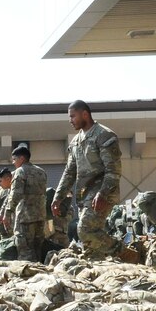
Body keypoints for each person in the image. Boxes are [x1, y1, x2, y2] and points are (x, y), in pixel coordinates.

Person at [52, 100, 123, 260]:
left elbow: (114, 170)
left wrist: (103, 194)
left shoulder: (104, 135)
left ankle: (125, 252)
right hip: (84, 196)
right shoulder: (75, 141)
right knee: (91, 245)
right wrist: (58, 197)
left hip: (102, 193)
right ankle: (98, 270)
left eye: (73, 116)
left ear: (85, 114)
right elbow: (69, 172)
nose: (70, 120)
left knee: (84, 230)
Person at [4, 146, 47, 262]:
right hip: (40, 217)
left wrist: (8, 212)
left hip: (25, 218)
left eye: (14, 159)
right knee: (37, 249)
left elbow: (16, 194)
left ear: (22, 158)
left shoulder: (20, 171)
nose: (13, 162)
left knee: (25, 251)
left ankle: (27, 275)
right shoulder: (41, 172)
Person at [0, 167, 13, 243]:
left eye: (0, 181)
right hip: (6, 228)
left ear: (8, 179)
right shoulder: (4, 190)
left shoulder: (4, 190)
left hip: (4, 227)